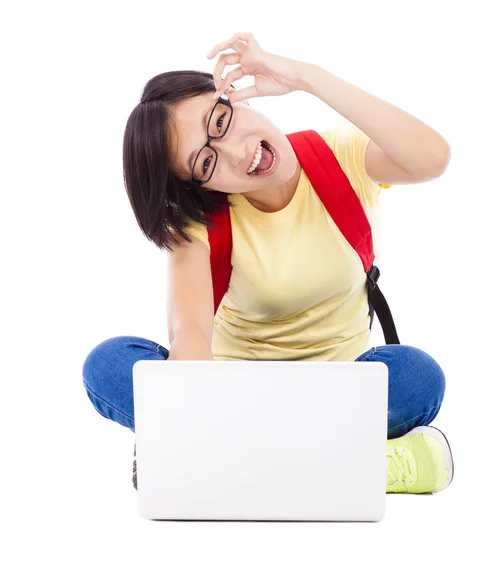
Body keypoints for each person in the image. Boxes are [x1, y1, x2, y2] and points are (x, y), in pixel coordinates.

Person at [82, 32, 453, 494]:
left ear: (233, 97)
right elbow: (190, 331)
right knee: (109, 365)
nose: (238, 153)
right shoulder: (200, 222)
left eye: (220, 120)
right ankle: (346, 463)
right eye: (205, 162)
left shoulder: (340, 157)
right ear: (201, 186)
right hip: (235, 396)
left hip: (341, 389)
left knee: (417, 376)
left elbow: (432, 158)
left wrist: (306, 77)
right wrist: (187, 402)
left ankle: (218, 458)